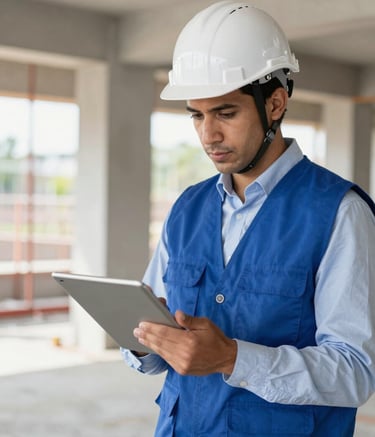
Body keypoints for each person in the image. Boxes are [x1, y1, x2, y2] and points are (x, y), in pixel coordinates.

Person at [122, 1, 375, 435]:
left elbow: (355, 372)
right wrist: (148, 343)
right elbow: (152, 355)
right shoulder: (187, 208)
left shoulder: (340, 212)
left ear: (275, 103)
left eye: (225, 113)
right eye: (197, 115)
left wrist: (231, 357)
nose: (208, 135)